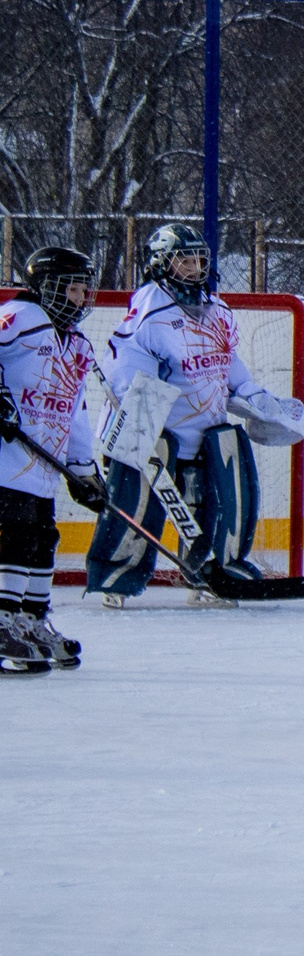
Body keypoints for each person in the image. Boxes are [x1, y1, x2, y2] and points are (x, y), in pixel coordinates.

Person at [85, 223, 304, 604]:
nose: (194, 267)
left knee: (228, 489)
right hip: (160, 435)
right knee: (136, 506)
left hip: (205, 432)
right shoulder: (151, 312)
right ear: (160, 263)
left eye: (198, 259)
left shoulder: (216, 310)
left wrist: (261, 403)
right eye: (184, 260)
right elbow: (128, 373)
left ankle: (220, 568)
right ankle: (115, 576)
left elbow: (229, 370)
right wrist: (138, 432)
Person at [0, 248, 110, 672]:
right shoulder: (20, 318)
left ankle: (30, 620)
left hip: (42, 464)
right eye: (75, 287)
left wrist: (83, 471)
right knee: (16, 532)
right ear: (48, 286)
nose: (84, 297)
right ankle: (3, 618)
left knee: (43, 536)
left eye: (86, 288)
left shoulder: (77, 344)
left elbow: (74, 410)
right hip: (8, 456)